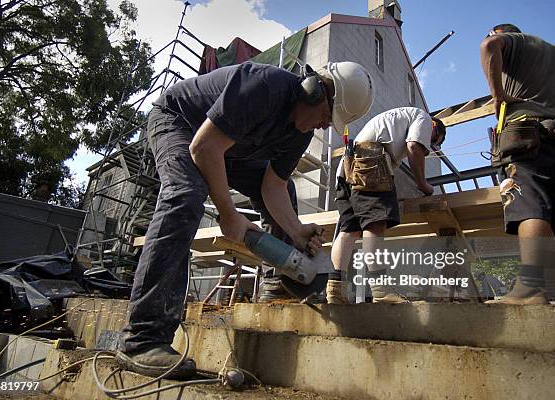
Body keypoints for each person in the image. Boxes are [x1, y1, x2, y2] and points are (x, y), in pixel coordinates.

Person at [116, 61, 373, 378]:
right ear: (314, 91)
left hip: (226, 149)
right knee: (184, 194)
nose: (323, 126)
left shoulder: (299, 134)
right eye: (325, 116)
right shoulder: (263, 86)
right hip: (179, 122)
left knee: (287, 188)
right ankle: (142, 339)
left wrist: (296, 231)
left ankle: (278, 286)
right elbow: (204, 146)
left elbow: (273, 186)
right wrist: (228, 214)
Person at [480, 23, 555, 305]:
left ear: (501, 33)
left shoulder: (508, 42)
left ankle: (530, 287)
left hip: (528, 135)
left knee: (529, 200)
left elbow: (488, 48)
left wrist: (498, 96)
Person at [327, 107, 446, 304]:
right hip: (370, 163)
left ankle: (335, 291)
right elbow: (414, 147)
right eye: (434, 141)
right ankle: (381, 292)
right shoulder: (424, 118)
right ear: (435, 128)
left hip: (347, 167)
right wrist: (424, 185)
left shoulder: (400, 118)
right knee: (375, 224)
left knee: (349, 230)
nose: (430, 146)